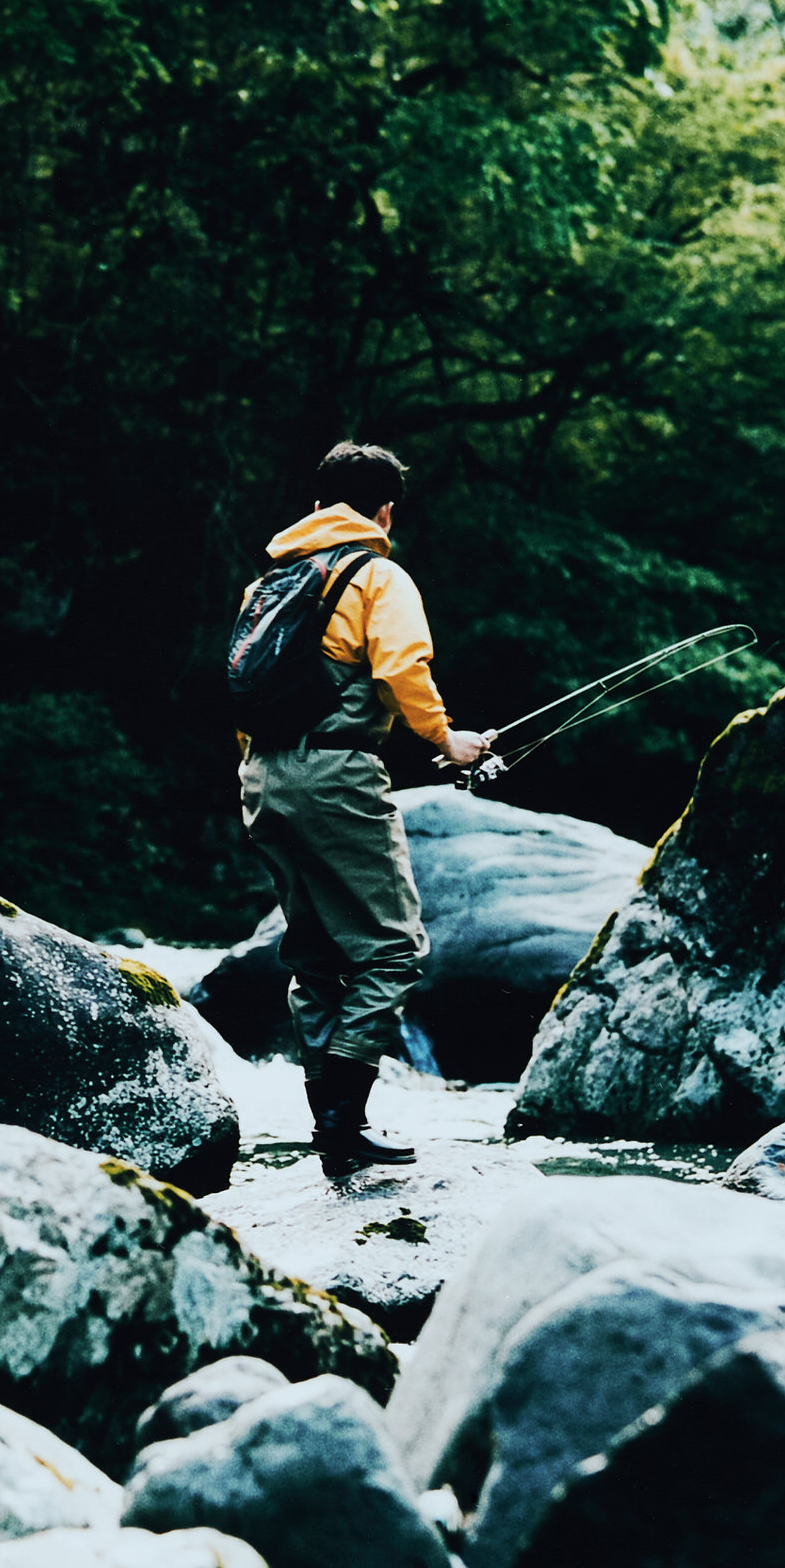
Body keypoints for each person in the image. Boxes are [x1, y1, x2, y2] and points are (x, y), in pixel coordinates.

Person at [237, 442, 488, 1177]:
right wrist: (446, 739)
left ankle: (332, 1125)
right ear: (384, 513)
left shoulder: (267, 584)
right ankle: (344, 1124)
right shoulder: (378, 574)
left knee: (315, 958)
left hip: (262, 776)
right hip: (337, 776)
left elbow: (246, 692)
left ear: (318, 506)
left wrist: (258, 776)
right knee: (392, 951)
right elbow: (403, 666)